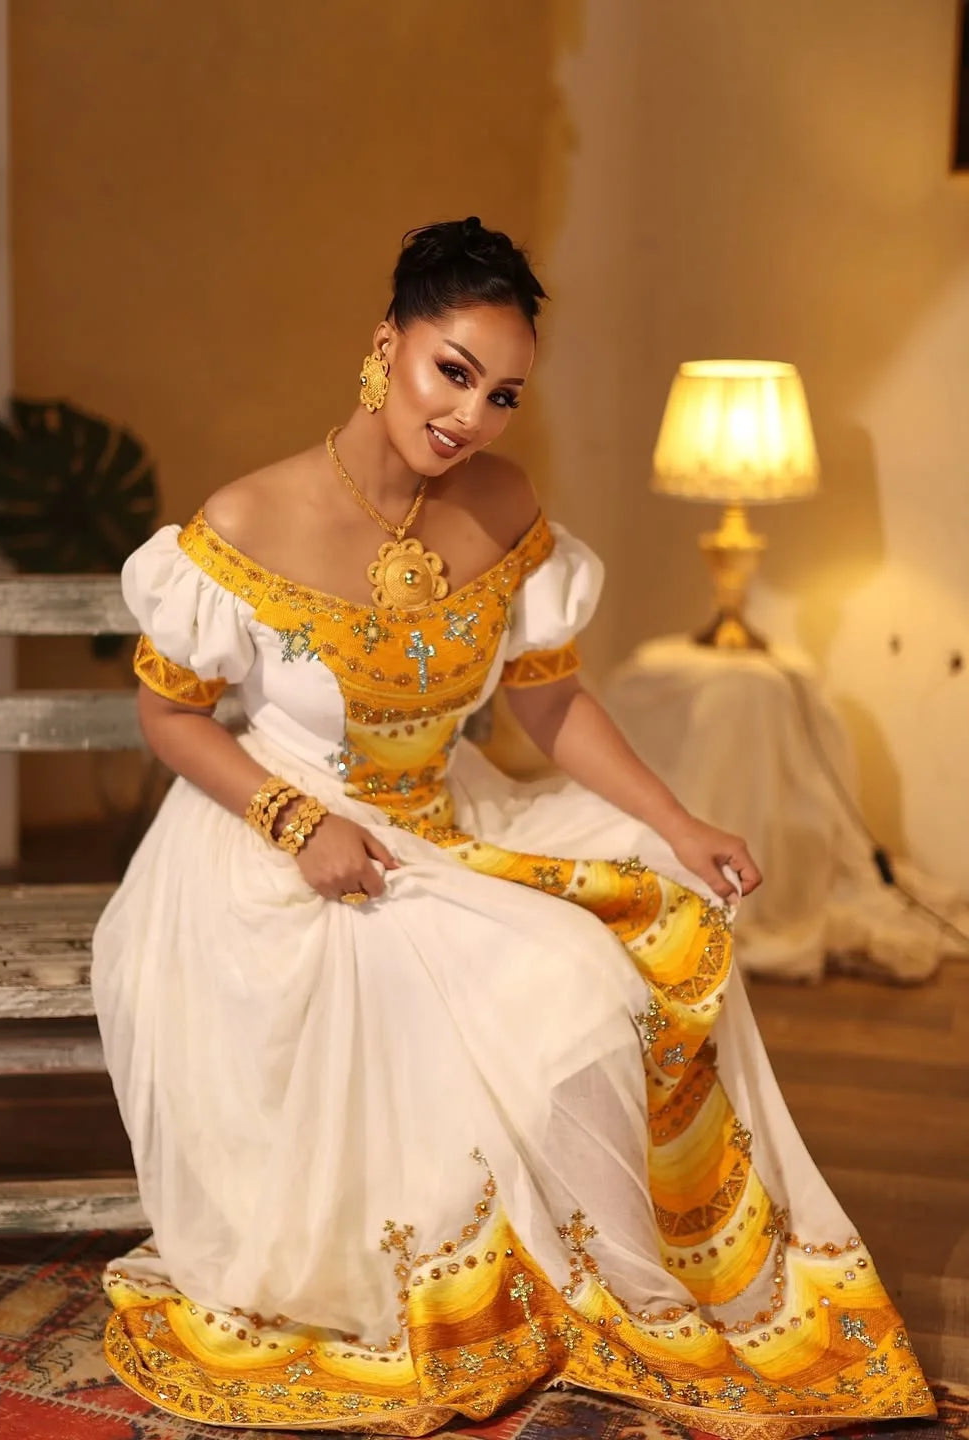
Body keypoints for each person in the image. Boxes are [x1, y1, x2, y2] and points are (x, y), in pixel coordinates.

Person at [91, 217, 932, 1438]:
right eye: (452, 370)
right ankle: (527, 1280)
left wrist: (678, 819)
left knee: (652, 928)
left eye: (502, 393)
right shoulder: (250, 518)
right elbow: (168, 715)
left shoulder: (501, 502)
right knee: (564, 975)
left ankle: (600, 1279)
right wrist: (295, 822)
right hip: (283, 847)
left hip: (449, 816)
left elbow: (546, 698)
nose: (471, 415)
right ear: (386, 345)